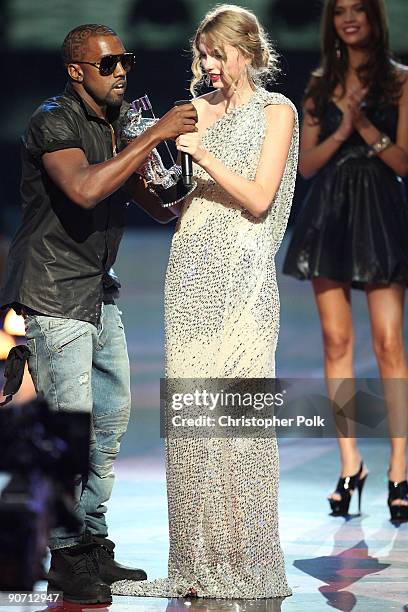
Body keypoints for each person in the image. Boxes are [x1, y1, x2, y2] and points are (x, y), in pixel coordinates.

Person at [0, 24, 197, 604]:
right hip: (54, 292)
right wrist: (154, 131)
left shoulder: (117, 127)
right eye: (108, 63)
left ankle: (91, 543)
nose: (121, 72)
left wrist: (180, 165)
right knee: (69, 430)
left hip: (96, 290)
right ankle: (64, 555)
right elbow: (85, 190)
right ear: (76, 71)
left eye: (126, 61)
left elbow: (157, 207)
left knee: (108, 425)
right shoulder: (52, 121)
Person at [112, 4, 298, 599]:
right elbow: (179, 204)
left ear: (248, 51)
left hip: (244, 277)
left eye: (220, 54)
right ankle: (197, 560)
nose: (210, 65)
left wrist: (203, 152)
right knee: (193, 422)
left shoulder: (278, 112)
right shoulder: (194, 113)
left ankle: (248, 559)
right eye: (203, 55)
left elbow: (260, 198)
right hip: (191, 268)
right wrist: (160, 167)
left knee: (239, 421)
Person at [283, 0, 408, 521]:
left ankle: (399, 469)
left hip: (381, 210)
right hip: (329, 213)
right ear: (331, 22)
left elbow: (404, 161)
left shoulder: (402, 81)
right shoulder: (319, 85)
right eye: (340, 11)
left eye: (358, 9)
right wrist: (342, 126)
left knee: (388, 344)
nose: (349, 18)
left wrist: (362, 126)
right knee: (336, 342)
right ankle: (349, 463)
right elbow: (306, 167)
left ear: (374, 18)